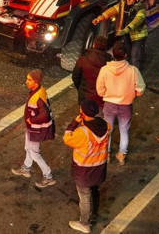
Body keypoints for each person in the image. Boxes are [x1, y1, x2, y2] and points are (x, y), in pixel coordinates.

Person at [63, 99, 110, 233]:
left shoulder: (82, 133)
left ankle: (84, 223)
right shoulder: (105, 125)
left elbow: (67, 138)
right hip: (99, 168)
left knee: (84, 197)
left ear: (82, 112)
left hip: (84, 171)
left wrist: (74, 123)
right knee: (95, 191)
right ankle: (94, 214)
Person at [96, 41, 145, 165]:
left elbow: (99, 90)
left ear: (112, 54)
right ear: (125, 55)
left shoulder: (105, 70)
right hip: (126, 106)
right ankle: (122, 154)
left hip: (109, 105)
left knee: (108, 130)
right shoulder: (133, 70)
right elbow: (140, 89)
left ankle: (106, 155)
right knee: (124, 131)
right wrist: (131, 94)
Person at [11, 69, 57, 188]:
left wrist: (32, 120)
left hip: (36, 129)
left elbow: (45, 115)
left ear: (36, 81)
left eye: (29, 80)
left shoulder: (38, 97)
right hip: (32, 128)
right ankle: (26, 168)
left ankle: (48, 177)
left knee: (35, 153)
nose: (26, 82)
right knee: (28, 148)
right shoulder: (39, 90)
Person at [92, 0, 148, 70]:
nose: (128, 1)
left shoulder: (141, 9)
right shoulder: (122, 4)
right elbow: (113, 10)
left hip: (138, 36)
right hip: (127, 34)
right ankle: (129, 69)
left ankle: (136, 75)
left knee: (134, 56)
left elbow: (136, 22)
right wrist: (100, 18)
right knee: (127, 53)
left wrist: (125, 30)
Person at [72, 36, 111, 110]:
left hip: (85, 96)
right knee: (99, 119)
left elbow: (75, 77)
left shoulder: (83, 59)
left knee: (85, 118)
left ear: (94, 45)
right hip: (101, 98)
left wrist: (80, 88)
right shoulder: (109, 62)